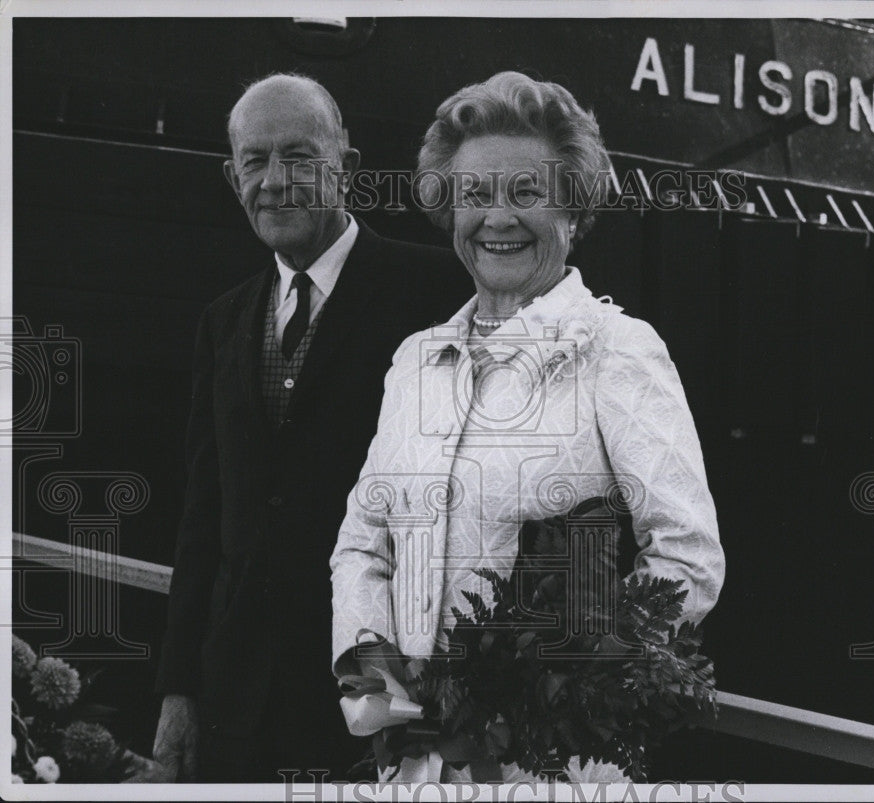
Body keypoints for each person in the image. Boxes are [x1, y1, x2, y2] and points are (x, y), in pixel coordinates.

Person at [330, 71, 725, 782]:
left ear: (572, 210)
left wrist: (559, 694)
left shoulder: (617, 349)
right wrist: (374, 681)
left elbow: (688, 556)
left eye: (526, 193)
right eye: (475, 195)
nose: (497, 218)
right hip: (408, 768)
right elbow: (364, 543)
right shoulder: (415, 361)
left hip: (544, 771)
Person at [152, 73, 468, 782]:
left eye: (298, 156)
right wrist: (180, 692)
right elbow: (203, 521)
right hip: (235, 710)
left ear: (346, 170)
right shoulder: (224, 322)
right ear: (232, 178)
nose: (274, 181)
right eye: (254, 162)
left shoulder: (436, 293)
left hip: (375, 712)